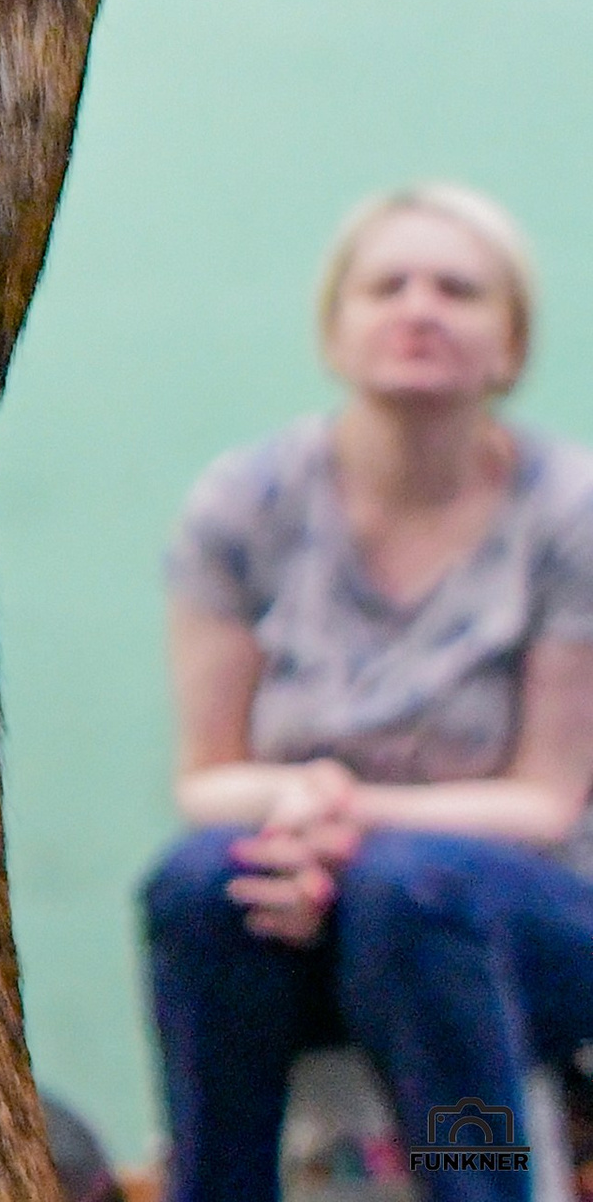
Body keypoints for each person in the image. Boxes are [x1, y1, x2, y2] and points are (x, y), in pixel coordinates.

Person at [143, 184, 593, 1197]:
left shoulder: (571, 514)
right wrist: (305, 819)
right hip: (311, 892)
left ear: (509, 346)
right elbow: (206, 779)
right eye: (388, 284)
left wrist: (343, 822)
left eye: (458, 290)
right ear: (335, 333)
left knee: (411, 891)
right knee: (200, 887)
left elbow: (545, 800)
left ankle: (478, 1184)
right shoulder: (242, 504)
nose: (419, 308)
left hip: (526, 916)